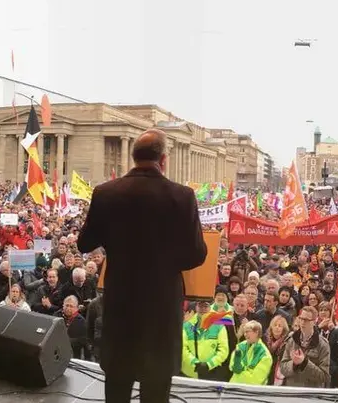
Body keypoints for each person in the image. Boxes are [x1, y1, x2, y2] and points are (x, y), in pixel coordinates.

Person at [78, 129, 206, 403]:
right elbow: (196, 255)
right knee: (156, 391)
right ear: (164, 160)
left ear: (133, 157)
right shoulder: (182, 196)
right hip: (161, 310)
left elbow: (84, 243)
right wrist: (165, 261)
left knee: (117, 388)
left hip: (121, 307)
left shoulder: (106, 193)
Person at [230, 320, 273, 385]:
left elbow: (255, 380)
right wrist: (247, 371)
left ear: (256, 332)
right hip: (233, 387)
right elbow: (232, 367)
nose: (245, 334)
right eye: (244, 332)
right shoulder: (240, 346)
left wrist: (241, 371)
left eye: (247, 331)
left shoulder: (265, 355)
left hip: (251, 390)